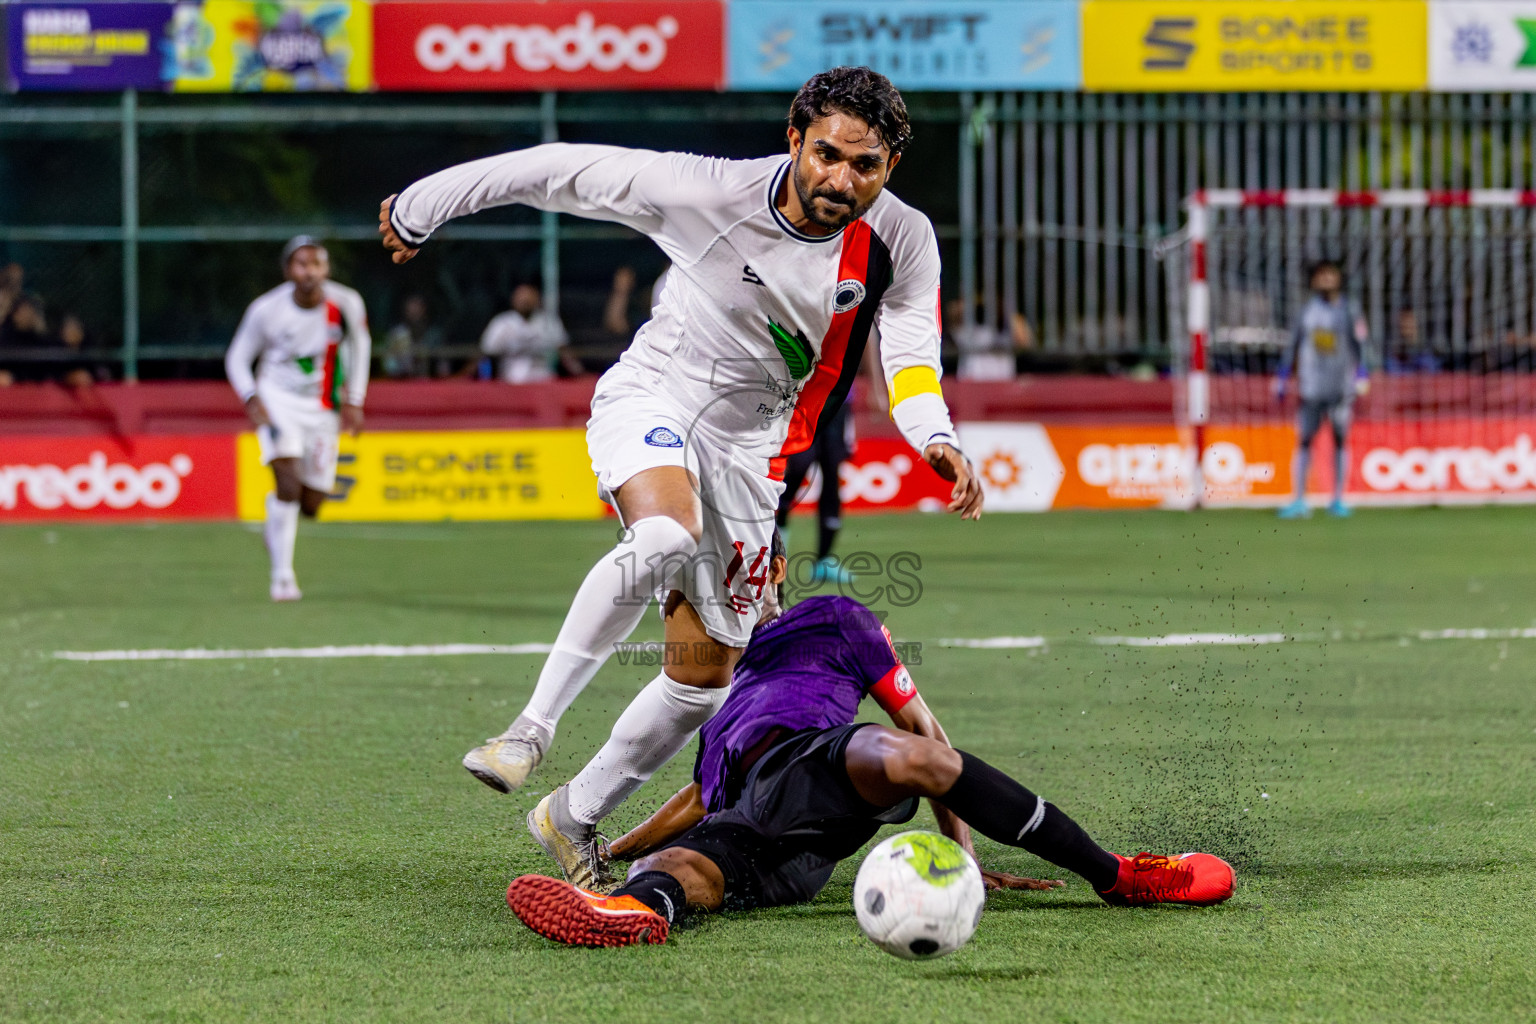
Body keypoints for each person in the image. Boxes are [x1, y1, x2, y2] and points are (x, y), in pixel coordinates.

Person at [379, 66, 983, 889]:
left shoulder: (901, 237)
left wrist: (934, 433)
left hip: (751, 456)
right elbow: (558, 168)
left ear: (890, 166)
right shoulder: (707, 192)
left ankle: (572, 815)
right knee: (661, 533)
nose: (843, 179)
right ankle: (528, 730)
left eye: (866, 165)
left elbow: (911, 344)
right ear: (794, 139)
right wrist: (423, 205)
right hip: (654, 397)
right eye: (828, 155)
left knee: (703, 678)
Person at [504, 547, 1235, 947]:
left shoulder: (832, 619)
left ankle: (1115, 875)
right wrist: (616, 854)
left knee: (918, 760)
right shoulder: (714, 692)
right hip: (778, 848)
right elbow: (698, 798)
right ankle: (633, 911)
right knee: (685, 864)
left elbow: (925, 731)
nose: (720, 591)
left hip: (818, 762)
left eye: (736, 570)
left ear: (771, 570)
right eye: (696, 590)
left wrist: (966, 858)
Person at [225, 236, 371, 602]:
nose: (309, 271)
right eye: (301, 264)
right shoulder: (266, 309)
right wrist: (251, 397)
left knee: (312, 503)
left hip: (322, 408)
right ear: (289, 269)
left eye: (317, 264)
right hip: (278, 401)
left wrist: (355, 400)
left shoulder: (346, 303)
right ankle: (282, 578)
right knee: (287, 485)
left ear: (327, 269)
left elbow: (362, 348)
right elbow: (237, 358)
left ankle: (274, 530)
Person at [1276, 259, 1369, 519]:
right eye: (1321, 275)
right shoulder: (1306, 311)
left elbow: (1361, 344)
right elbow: (1292, 345)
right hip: (1311, 387)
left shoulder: (1350, 311)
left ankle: (1338, 499)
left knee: (1340, 438)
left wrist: (1363, 372)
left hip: (1341, 388)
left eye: (1331, 275)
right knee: (1304, 439)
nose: (1326, 280)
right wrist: (1283, 377)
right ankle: (1298, 499)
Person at [774, 389, 856, 584]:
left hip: (839, 401)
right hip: (805, 399)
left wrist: (877, 387)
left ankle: (824, 561)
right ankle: (774, 554)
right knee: (793, 474)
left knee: (832, 477)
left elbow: (864, 356)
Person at [479, 283, 578, 383]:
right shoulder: (501, 322)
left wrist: (580, 375)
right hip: (509, 380)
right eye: (521, 298)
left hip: (544, 381)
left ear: (537, 299)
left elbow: (564, 352)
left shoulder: (549, 322)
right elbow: (485, 353)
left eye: (529, 298)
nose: (525, 301)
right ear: (513, 300)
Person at [382, 294, 446, 379]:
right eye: (410, 311)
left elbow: (443, 369)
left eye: (417, 310)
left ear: (425, 311)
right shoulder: (397, 334)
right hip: (401, 383)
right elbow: (389, 366)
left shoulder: (434, 335)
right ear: (405, 312)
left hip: (429, 383)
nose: (414, 314)